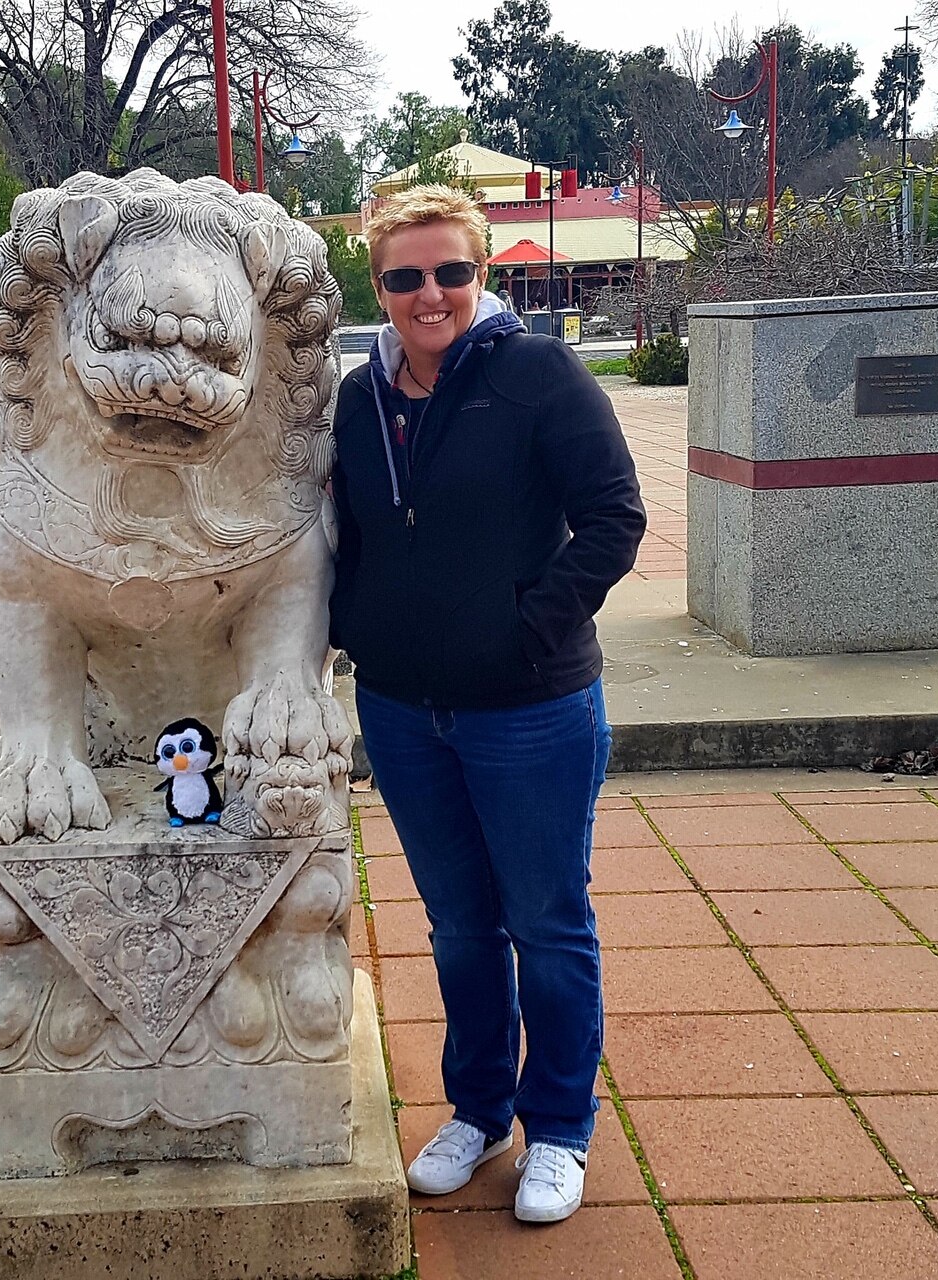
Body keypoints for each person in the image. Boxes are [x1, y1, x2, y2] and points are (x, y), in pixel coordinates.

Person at [329, 185, 646, 1224]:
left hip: (527, 708)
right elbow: (349, 535)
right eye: (405, 276)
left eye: (450, 271)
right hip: (403, 710)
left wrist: (526, 626)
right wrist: (354, 629)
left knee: (546, 923)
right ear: (377, 286)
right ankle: (478, 1107)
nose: (430, 293)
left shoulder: (536, 374)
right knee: (460, 927)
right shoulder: (355, 396)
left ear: (480, 276)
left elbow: (612, 517)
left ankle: (558, 1125)